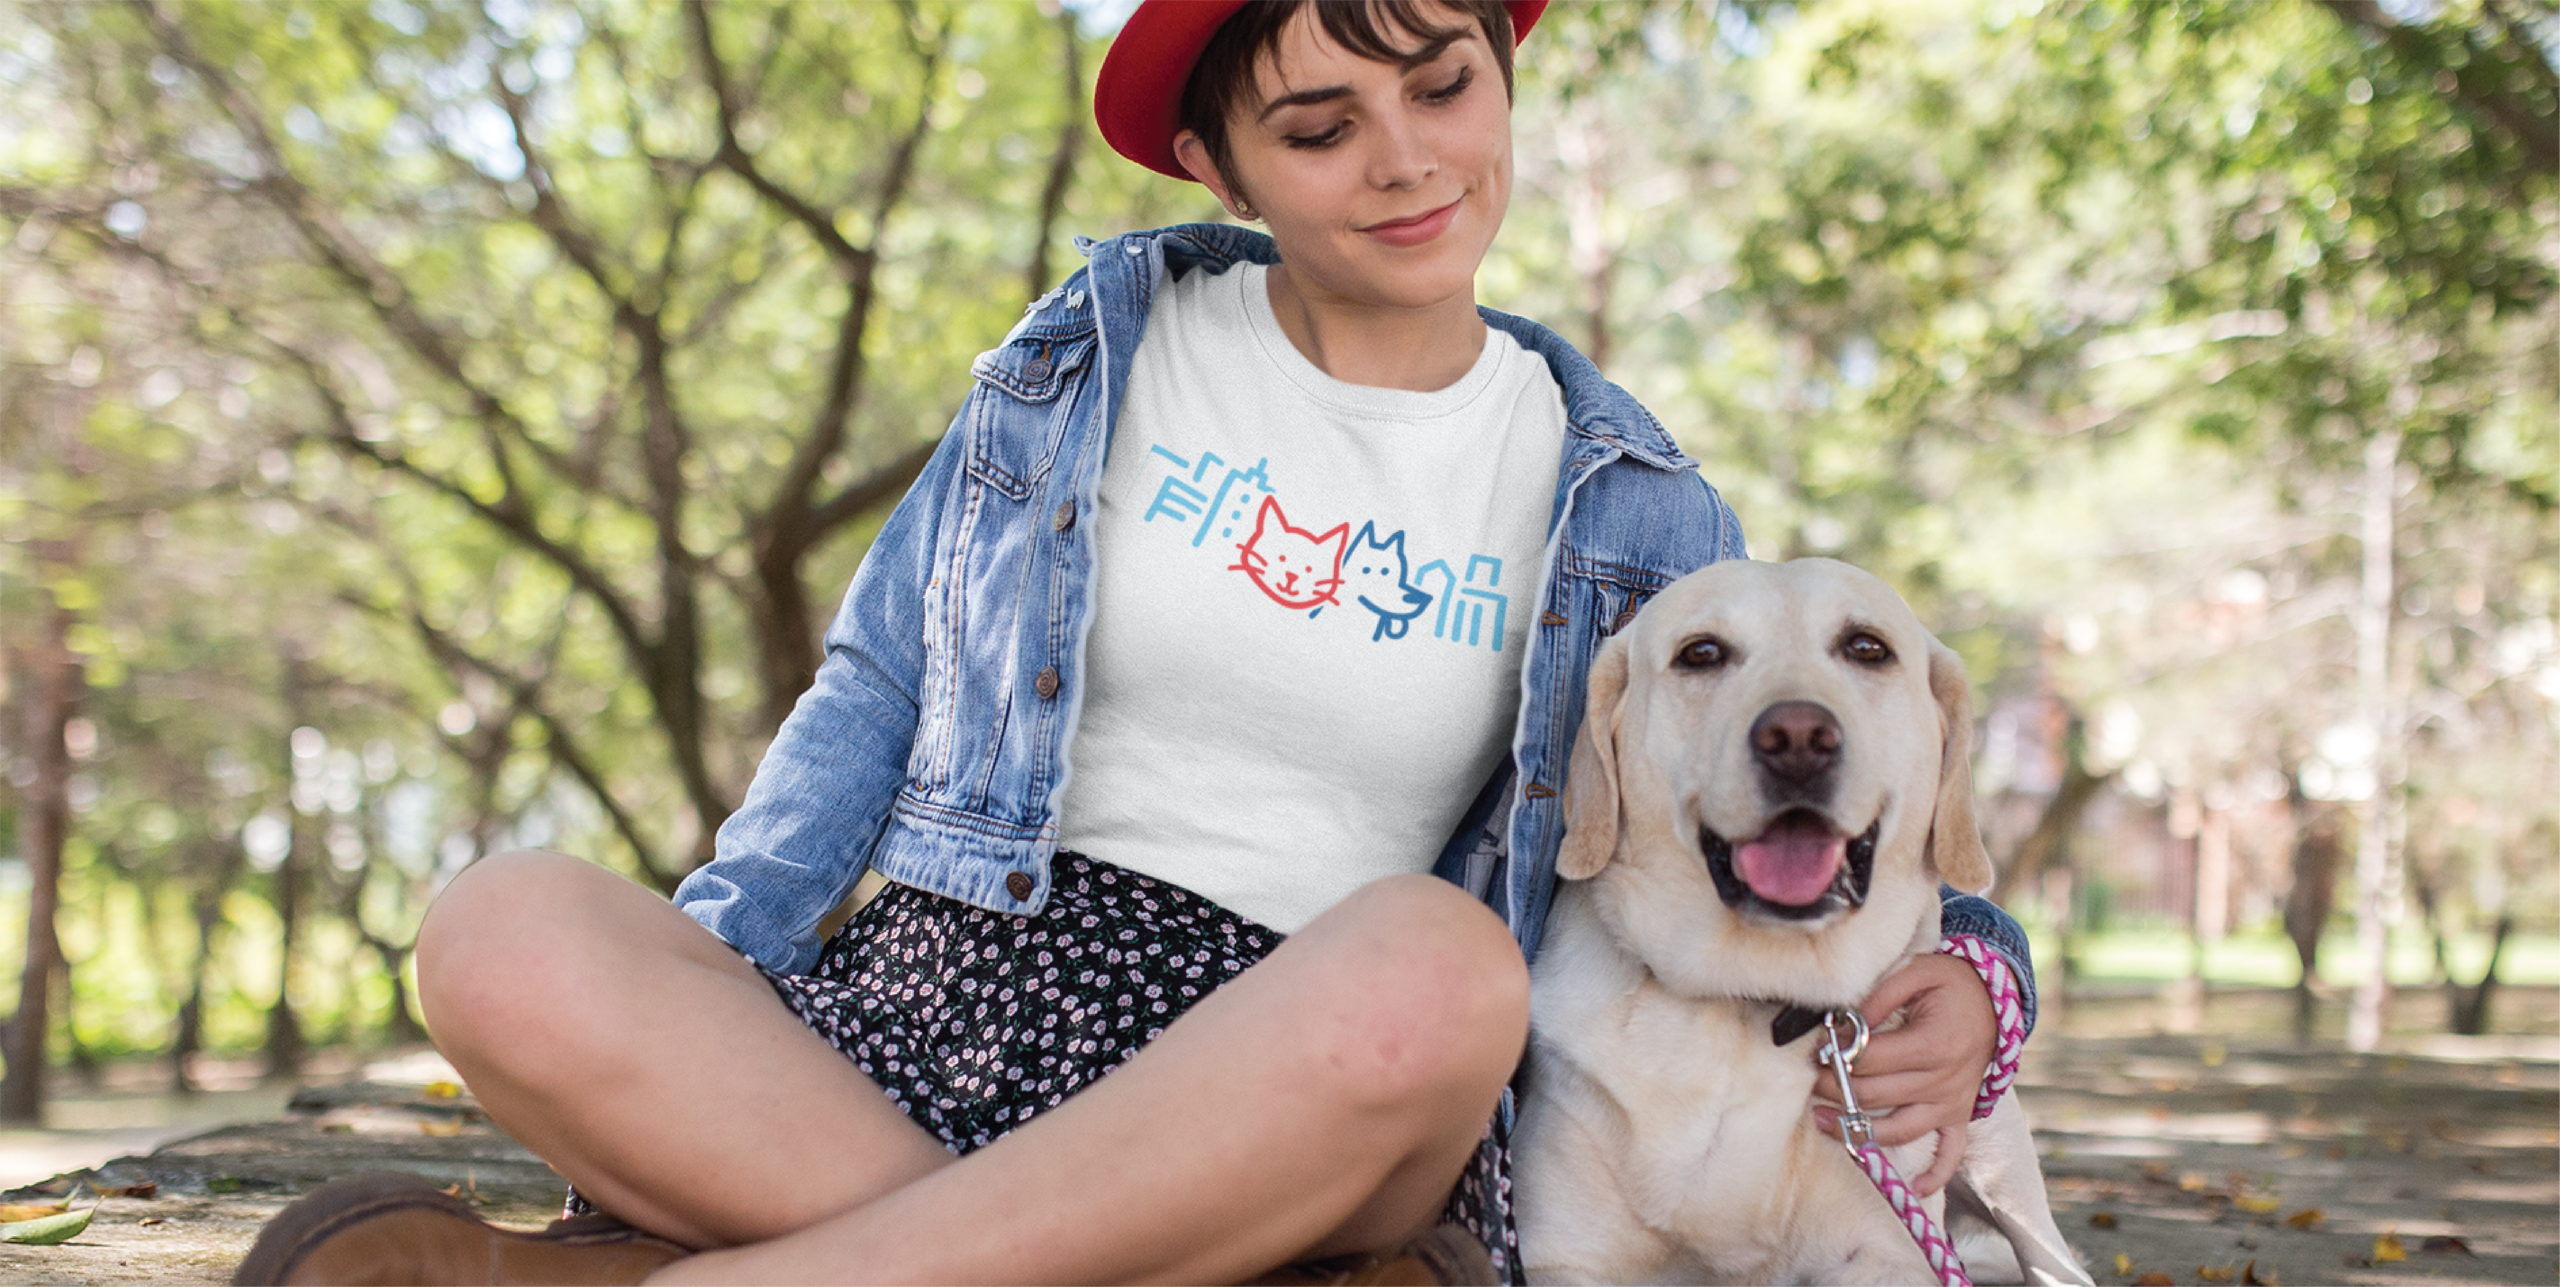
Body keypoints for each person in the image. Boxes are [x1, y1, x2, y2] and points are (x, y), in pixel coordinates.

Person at [234, 0, 2037, 1282]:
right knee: (499, 926)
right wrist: (710, 997)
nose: (1404, 162)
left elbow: (1818, 798)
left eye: (1439, 85)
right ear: (1216, 157)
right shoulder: (1088, 355)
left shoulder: (1637, 505)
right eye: (1320, 127)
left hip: (1305, 1067)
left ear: (1504, 70)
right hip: (933, 996)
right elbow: (871, 685)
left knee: (1441, 965)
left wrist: (1987, 972)